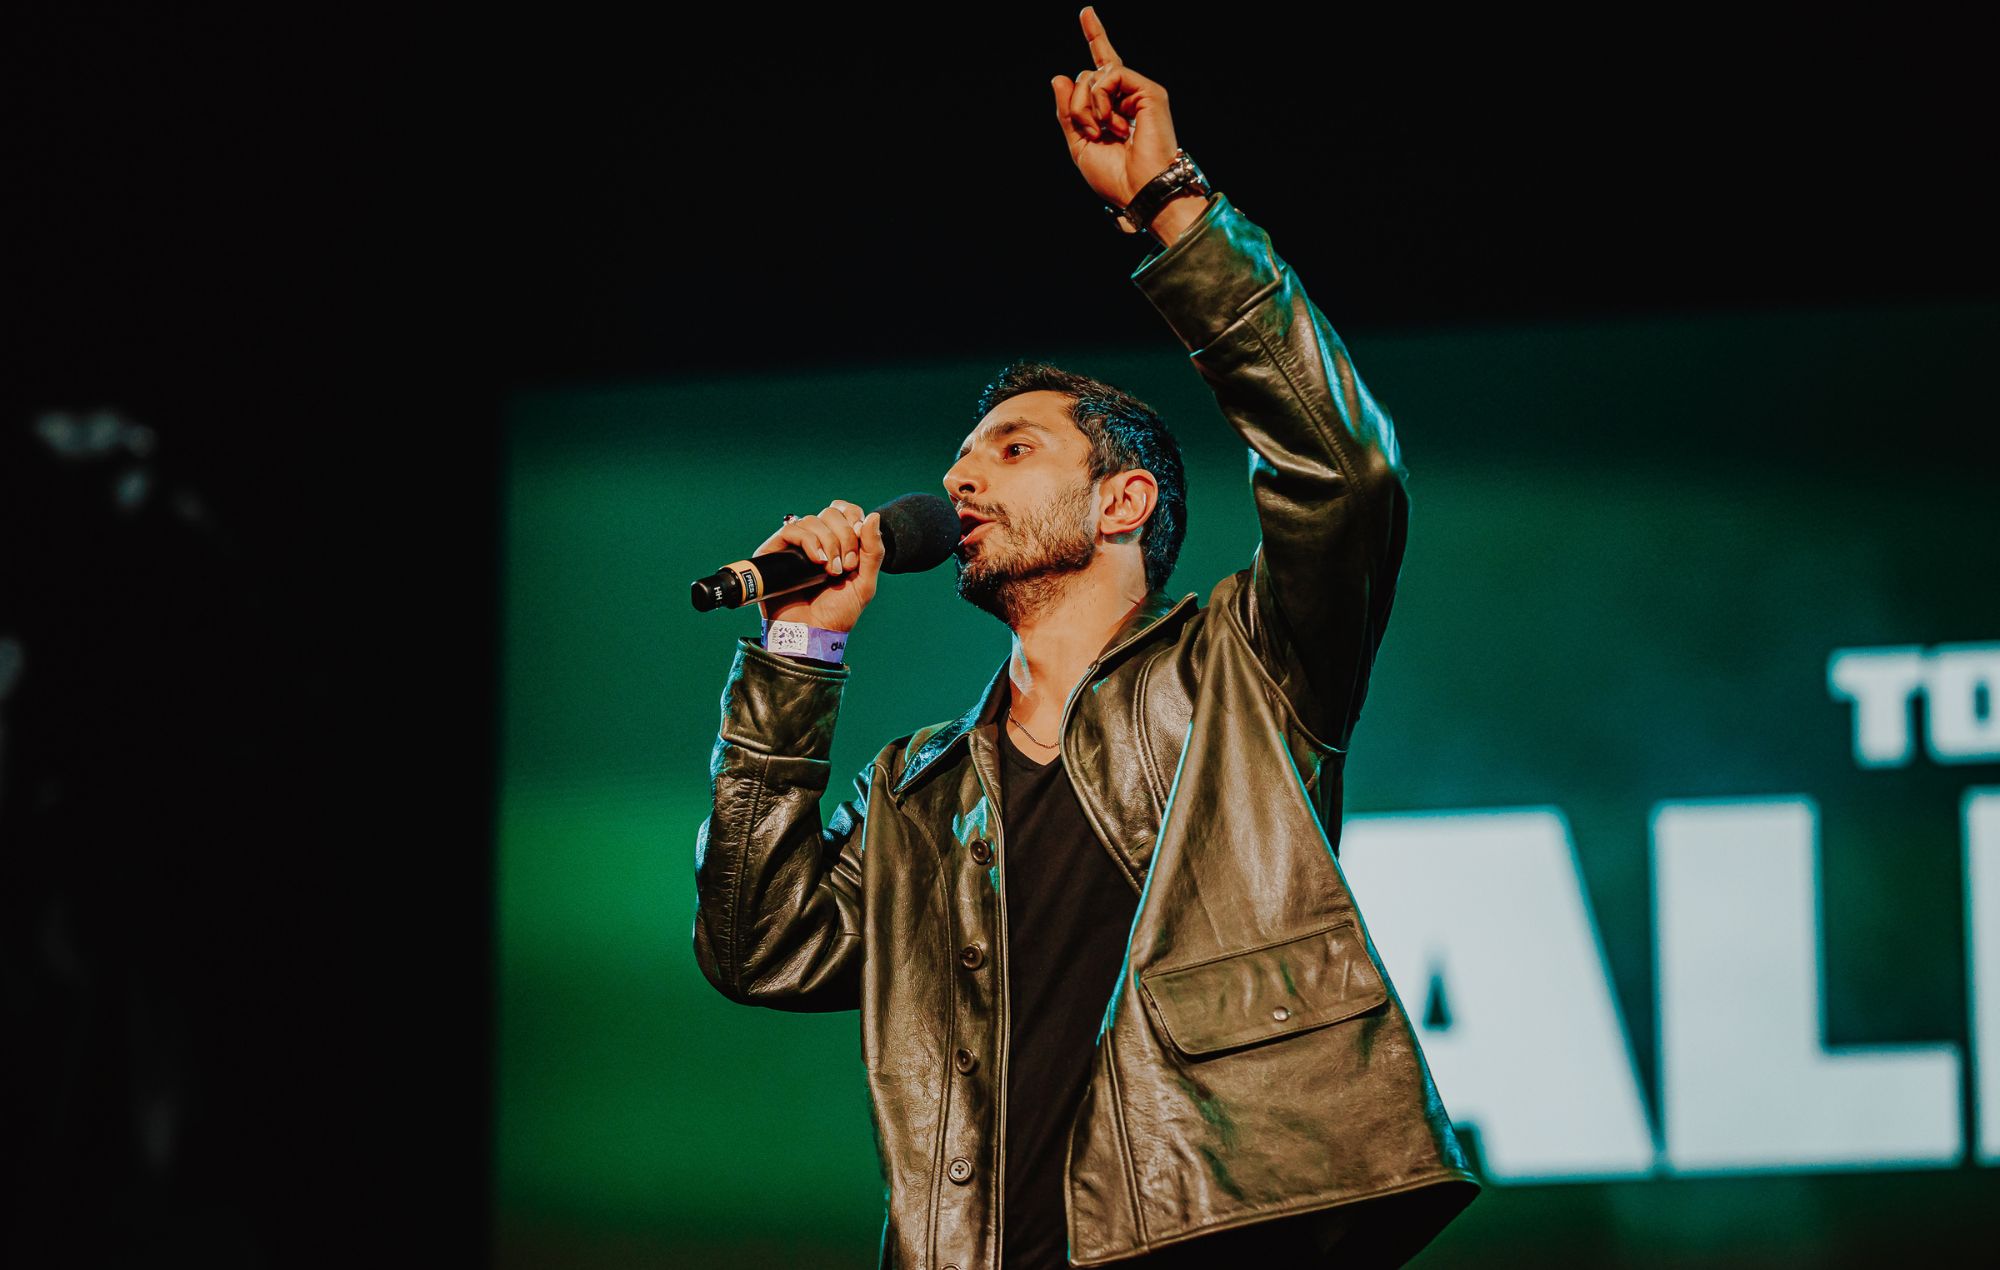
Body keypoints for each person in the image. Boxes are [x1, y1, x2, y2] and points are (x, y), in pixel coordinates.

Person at [693, 9, 1480, 1266]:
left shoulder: (1243, 670)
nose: (962, 483)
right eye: (958, 462)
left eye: (1012, 450)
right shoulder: (917, 790)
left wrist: (1172, 205)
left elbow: (1347, 472)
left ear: (1122, 501)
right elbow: (754, 942)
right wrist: (796, 657)